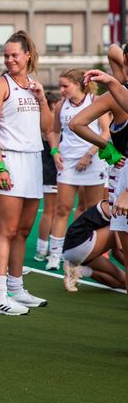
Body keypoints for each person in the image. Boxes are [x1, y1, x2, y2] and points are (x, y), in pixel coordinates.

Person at [0, 30, 52, 315]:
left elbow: (47, 128)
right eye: (6, 55)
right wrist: (0, 166)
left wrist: (41, 98)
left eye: (15, 55)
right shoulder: (1, 85)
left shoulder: (34, 87)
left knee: (23, 231)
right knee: (7, 230)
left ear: (28, 56)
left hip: (33, 161)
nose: (10, 60)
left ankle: (17, 288)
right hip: (10, 160)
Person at [70, 45, 128, 292]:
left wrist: (108, 149)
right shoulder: (119, 93)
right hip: (121, 174)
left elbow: (77, 123)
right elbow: (115, 50)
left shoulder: (117, 92)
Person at [44, 69, 110, 270]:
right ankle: (55, 255)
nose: (61, 90)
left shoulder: (95, 101)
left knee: (93, 210)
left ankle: (93, 253)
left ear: (79, 84)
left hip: (93, 161)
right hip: (68, 163)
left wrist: (89, 154)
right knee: (62, 208)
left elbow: (105, 132)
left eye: (65, 86)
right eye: (59, 86)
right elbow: (54, 132)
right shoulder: (61, 106)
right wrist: (55, 152)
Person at [62, 199, 126, 291]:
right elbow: (121, 247)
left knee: (122, 282)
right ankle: (75, 265)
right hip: (80, 242)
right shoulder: (118, 205)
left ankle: (79, 270)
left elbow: (116, 252)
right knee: (118, 228)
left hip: (76, 249)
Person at [34, 92, 61, 261]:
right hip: (51, 169)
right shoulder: (49, 121)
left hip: (49, 169)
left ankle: (48, 247)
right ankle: (42, 248)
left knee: (53, 210)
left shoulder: (48, 121)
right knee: (51, 210)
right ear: (52, 105)